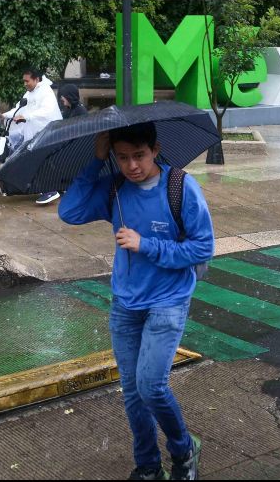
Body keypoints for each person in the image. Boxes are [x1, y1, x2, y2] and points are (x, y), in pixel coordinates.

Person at [58, 122, 214, 480]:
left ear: (155, 150)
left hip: (168, 301)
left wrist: (146, 245)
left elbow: (203, 247)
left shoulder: (180, 187)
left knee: (151, 387)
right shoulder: (115, 188)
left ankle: (183, 449)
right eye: (122, 157)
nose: (131, 166)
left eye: (139, 156)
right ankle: (148, 465)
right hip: (126, 303)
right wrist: (96, 161)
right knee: (132, 392)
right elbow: (69, 211)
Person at [0, 67, 63, 204]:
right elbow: (19, 108)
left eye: (27, 81)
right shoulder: (29, 93)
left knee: (38, 161)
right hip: (34, 134)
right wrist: (4, 115)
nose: (25, 84)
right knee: (20, 155)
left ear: (36, 79)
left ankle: (50, 190)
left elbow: (47, 111)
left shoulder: (45, 92)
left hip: (48, 134)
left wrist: (26, 116)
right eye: (23, 81)